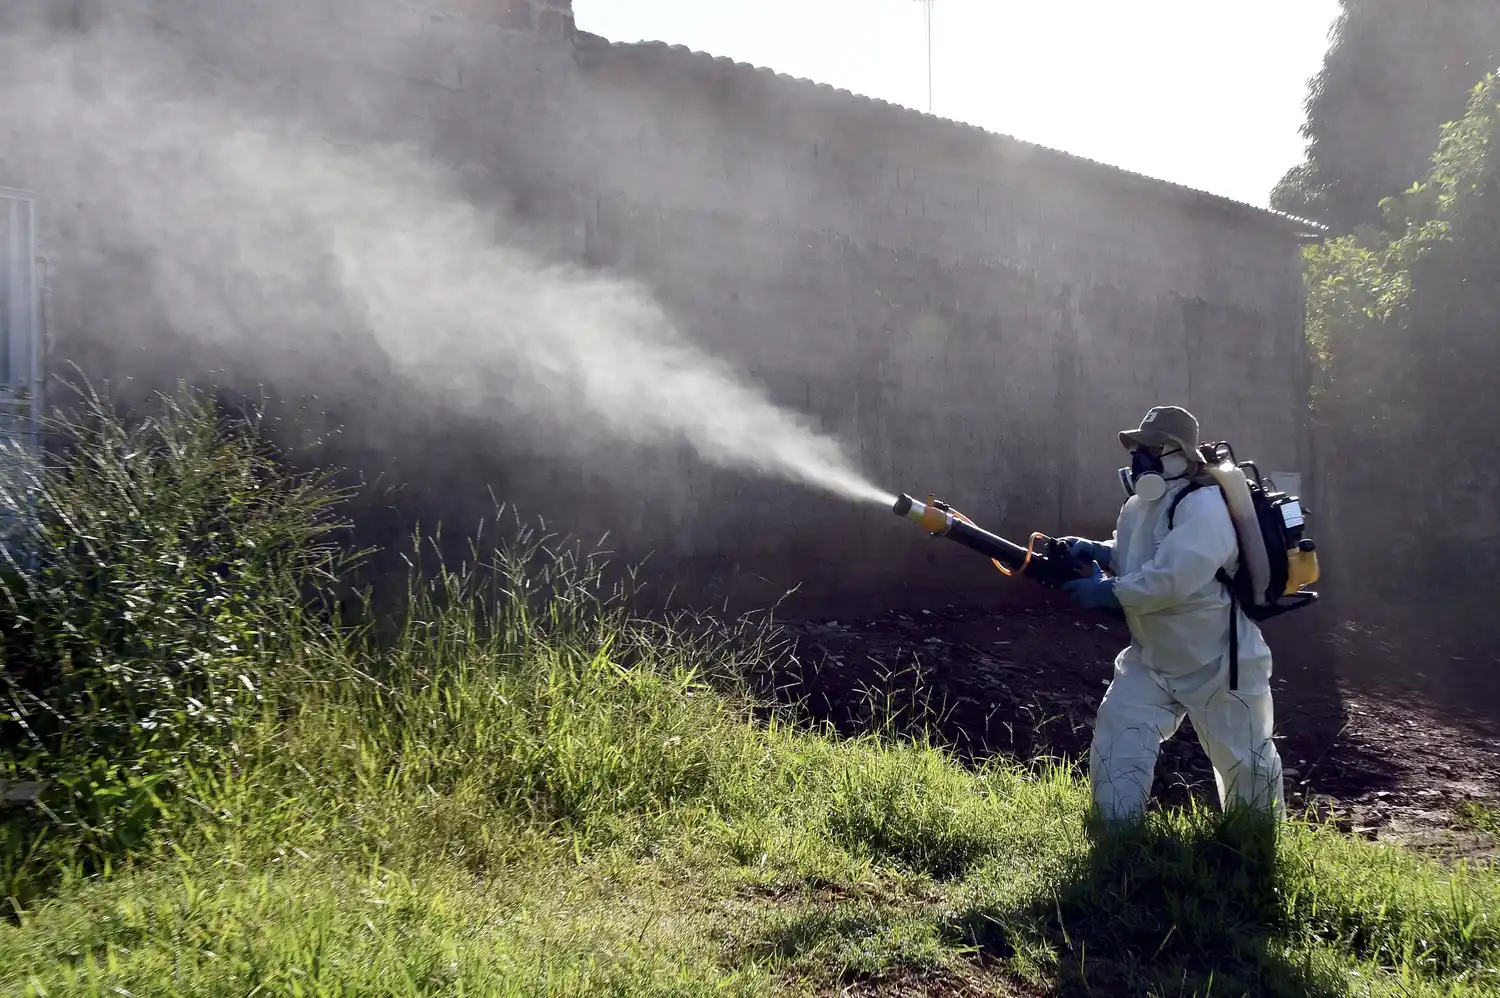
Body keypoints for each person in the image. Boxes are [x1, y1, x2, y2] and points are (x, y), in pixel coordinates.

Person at [1057, 405, 1286, 826]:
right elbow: (1138, 554)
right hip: (1154, 657)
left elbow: (1171, 579)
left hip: (1217, 662)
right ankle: (1115, 835)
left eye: (1150, 447)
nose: (1139, 457)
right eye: (1136, 448)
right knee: (1120, 731)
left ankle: (1255, 851)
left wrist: (1107, 592)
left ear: (1180, 452)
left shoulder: (1205, 506)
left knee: (1245, 763)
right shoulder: (1140, 504)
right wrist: (1096, 549)